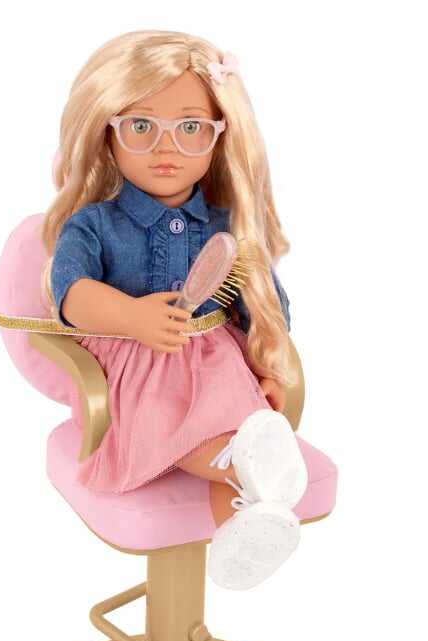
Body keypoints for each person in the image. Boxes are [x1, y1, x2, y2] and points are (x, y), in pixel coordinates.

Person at [40, 30, 308, 589]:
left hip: (215, 364)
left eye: (190, 128)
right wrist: (131, 316)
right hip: (140, 367)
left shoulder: (224, 225)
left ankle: (245, 536)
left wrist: (269, 367)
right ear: (108, 132)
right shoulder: (94, 224)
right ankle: (253, 464)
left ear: (219, 136)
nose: (167, 148)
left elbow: (257, 303)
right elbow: (71, 293)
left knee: (241, 429)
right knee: (207, 435)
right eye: (141, 127)